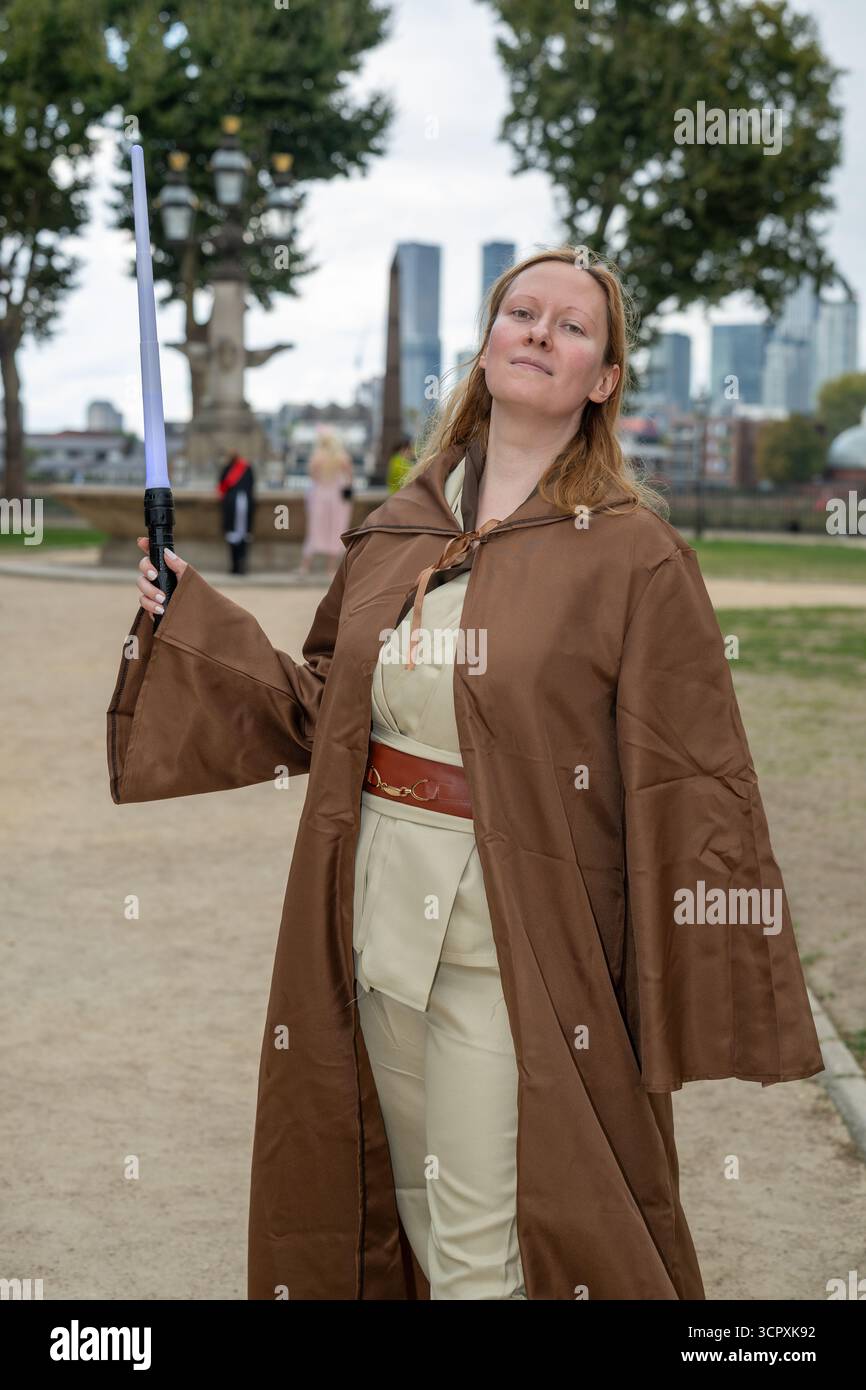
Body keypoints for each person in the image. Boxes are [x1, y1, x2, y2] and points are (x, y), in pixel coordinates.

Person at [108, 244, 823, 1301]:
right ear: (485, 349)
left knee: (480, 1250)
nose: (538, 332)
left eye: (570, 326)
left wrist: (679, 969)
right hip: (374, 912)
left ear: (603, 380)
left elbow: (692, 770)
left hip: (520, 930)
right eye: (519, 312)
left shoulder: (632, 556)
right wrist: (189, 615)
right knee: (412, 1206)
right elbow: (319, 708)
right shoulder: (399, 530)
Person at [294, 430, 353, 577]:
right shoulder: (342, 457)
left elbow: (313, 476)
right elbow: (349, 477)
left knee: (314, 531)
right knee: (335, 530)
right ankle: (330, 569)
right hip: (337, 499)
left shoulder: (317, 457)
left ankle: (305, 566)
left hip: (320, 497)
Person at [218, 453, 256, 575]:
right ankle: (241, 566)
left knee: (233, 537)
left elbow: (221, 486)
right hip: (246, 505)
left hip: (231, 506)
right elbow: (252, 486)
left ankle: (235, 566)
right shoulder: (248, 468)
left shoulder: (227, 468)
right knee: (244, 537)